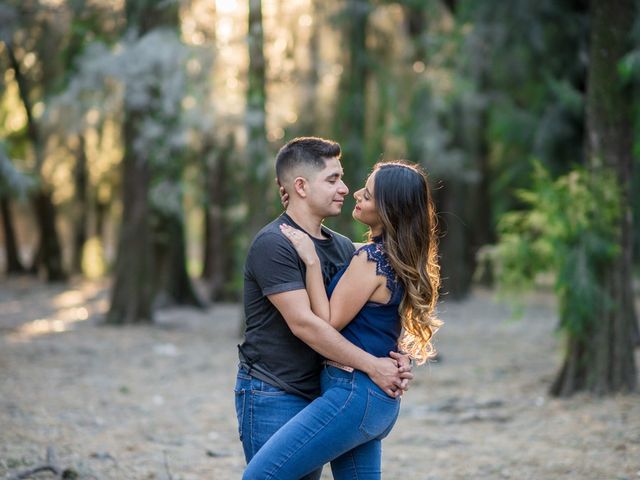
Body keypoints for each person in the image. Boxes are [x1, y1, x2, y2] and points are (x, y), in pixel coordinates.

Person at [243, 160, 442, 479]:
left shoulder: (370, 260)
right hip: (376, 401)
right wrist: (301, 208)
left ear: (389, 208)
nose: (357, 193)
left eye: (370, 193)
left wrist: (310, 261)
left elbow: (327, 320)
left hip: (352, 393)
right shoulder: (395, 257)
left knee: (261, 476)